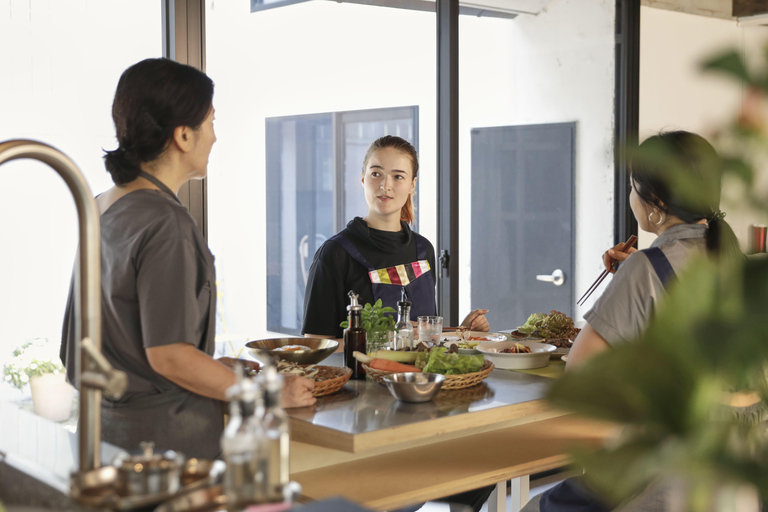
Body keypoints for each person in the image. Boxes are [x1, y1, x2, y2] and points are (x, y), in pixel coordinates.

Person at [60, 58, 315, 460]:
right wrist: (268, 393)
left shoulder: (101, 207)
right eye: (211, 122)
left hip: (104, 437)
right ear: (183, 135)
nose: (214, 137)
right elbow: (170, 356)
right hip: (166, 446)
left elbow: (123, 341)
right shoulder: (166, 222)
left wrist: (211, 366)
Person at [522, 130, 741, 512]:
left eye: (632, 186)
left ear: (654, 202)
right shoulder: (739, 263)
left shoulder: (648, 267)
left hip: (661, 481)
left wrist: (635, 282)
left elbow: (583, 372)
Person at [302, 135, 489, 340]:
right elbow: (315, 344)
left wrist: (462, 331)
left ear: (412, 185)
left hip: (422, 373)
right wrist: (386, 340)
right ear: (363, 179)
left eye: (398, 176)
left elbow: (425, 338)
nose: (385, 185)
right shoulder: (335, 253)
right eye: (376, 173)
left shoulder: (424, 249)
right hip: (361, 373)